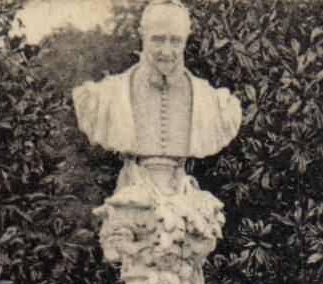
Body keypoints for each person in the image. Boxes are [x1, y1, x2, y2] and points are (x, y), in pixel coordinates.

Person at [71, 1, 241, 187]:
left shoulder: (216, 103)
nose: (166, 51)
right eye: (158, 39)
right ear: (143, 36)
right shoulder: (103, 97)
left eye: (175, 40)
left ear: (186, 39)